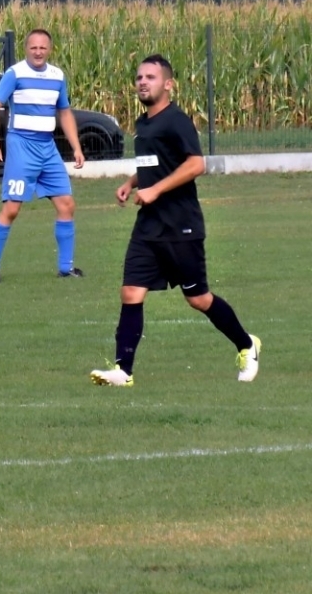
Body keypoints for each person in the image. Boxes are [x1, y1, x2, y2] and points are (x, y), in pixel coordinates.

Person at [91, 55, 259, 387]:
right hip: (149, 226)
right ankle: (124, 371)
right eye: (139, 77)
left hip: (181, 225)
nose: (142, 82)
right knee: (130, 292)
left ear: (167, 84)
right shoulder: (144, 124)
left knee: (198, 299)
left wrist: (156, 189)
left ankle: (246, 344)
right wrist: (132, 182)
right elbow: (155, 164)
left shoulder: (176, 120)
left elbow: (196, 164)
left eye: (150, 77)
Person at [0, 29, 86, 283]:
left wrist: (76, 146)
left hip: (47, 148)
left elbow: (64, 111)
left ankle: (66, 267)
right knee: (12, 208)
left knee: (66, 204)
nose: (38, 52)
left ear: (50, 49)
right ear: (26, 49)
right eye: (33, 48)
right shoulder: (15, 73)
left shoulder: (57, 75)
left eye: (43, 48)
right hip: (21, 146)